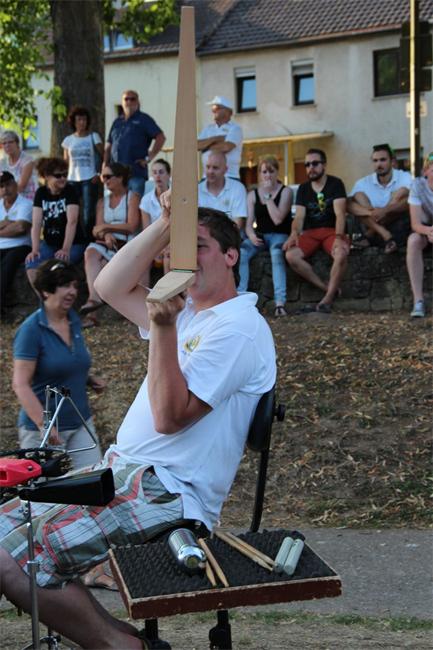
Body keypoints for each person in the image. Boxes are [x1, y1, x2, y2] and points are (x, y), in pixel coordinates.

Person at [0, 201, 276, 650]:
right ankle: (122, 641)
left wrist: (163, 327)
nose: (183, 259)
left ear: (231, 255)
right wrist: (166, 223)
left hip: (166, 491)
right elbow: (109, 285)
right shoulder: (191, 314)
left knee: (11, 560)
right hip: (125, 473)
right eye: (176, 249)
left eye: (198, 246)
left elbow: (169, 418)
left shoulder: (238, 328)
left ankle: (120, 646)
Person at [12, 259, 103, 469]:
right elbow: (20, 384)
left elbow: (66, 362)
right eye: (65, 285)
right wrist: (44, 425)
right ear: (46, 290)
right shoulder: (31, 330)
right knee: (45, 489)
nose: (72, 292)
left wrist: (88, 379)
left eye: (74, 286)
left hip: (80, 422)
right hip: (43, 432)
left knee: (94, 481)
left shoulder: (74, 321)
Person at [284, 148, 349, 313]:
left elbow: (340, 214)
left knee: (341, 253)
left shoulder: (336, 184)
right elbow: (299, 217)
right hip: (311, 233)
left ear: (324, 165)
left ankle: (327, 300)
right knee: (291, 255)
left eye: (315, 163)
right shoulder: (303, 188)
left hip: (332, 231)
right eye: (307, 165)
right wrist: (294, 233)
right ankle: (327, 288)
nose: (310, 168)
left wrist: (339, 237)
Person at [79, 163, 140, 327]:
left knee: (103, 265)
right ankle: (94, 299)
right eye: (102, 177)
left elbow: (132, 225)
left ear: (120, 178)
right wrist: (106, 234)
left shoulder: (132, 198)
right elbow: (97, 230)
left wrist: (106, 228)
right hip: (106, 242)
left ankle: (93, 314)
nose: (104, 180)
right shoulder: (102, 202)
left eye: (107, 177)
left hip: (127, 243)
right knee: (90, 252)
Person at [238, 156, 293, 316]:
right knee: (242, 252)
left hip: (279, 235)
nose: (267, 175)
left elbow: (278, 219)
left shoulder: (286, 191)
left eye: (271, 171)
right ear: (259, 174)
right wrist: (251, 235)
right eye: (264, 172)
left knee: (276, 254)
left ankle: (279, 302)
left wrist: (268, 197)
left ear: (277, 172)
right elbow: (249, 223)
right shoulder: (252, 195)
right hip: (261, 235)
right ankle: (240, 297)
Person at [25, 157, 86, 287]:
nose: (63, 178)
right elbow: (36, 224)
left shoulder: (70, 190)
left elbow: (72, 221)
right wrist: (35, 249)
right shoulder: (41, 193)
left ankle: (57, 299)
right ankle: (44, 298)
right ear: (47, 176)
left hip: (74, 244)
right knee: (32, 263)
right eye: (58, 175)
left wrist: (65, 249)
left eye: (65, 174)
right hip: (50, 243)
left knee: (57, 267)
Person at [347, 144, 412, 253]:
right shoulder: (363, 182)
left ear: (392, 161)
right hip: (373, 227)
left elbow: (411, 202)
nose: (379, 164)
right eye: (375, 161)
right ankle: (385, 234)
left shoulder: (405, 177)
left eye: (383, 160)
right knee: (357, 195)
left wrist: (385, 210)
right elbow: (348, 204)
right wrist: (371, 212)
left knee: (403, 192)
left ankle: (371, 233)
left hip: (396, 227)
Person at [104, 89, 166, 197]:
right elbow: (108, 145)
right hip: (115, 175)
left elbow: (161, 137)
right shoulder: (117, 122)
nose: (129, 102)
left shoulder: (144, 119)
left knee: (135, 205)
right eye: (126, 99)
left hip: (135, 174)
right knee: (118, 205)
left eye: (132, 99)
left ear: (137, 102)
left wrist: (149, 157)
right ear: (122, 102)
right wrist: (104, 166)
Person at [62, 105, 104, 240]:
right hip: (72, 179)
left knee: (88, 211)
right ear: (74, 122)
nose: (82, 123)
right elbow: (66, 162)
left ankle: (89, 239)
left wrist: (99, 174)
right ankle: (76, 238)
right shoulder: (68, 140)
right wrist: (63, 178)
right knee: (72, 211)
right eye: (79, 120)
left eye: (84, 120)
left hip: (89, 178)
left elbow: (104, 156)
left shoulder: (93, 137)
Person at [0, 172, 33, 319]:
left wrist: (7, 225)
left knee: (6, 268)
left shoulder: (26, 204)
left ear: (15, 184)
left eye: (8, 184)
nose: (5, 189)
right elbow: (16, 226)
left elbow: (20, 228)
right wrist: (9, 224)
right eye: (1, 186)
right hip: (1, 246)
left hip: (20, 246)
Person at [406, 152, 433, 318]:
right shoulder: (417, 185)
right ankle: (418, 300)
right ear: (426, 171)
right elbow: (415, 224)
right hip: (425, 228)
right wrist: (428, 231)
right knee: (413, 241)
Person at [198, 151, 247, 232]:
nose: (210, 171)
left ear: (225, 169)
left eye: (215, 168)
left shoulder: (238, 188)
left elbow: (237, 224)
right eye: (208, 167)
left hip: (229, 236)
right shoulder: (197, 190)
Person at [198, 95, 243, 179]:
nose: (213, 110)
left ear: (227, 112)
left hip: (229, 177)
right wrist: (216, 139)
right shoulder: (207, 128)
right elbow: (196, 145)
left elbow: (226, 147)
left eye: (216, 108)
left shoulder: (235, 129)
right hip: (207, 178)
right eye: (212, 108)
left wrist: (205, 147)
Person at [139, 158, 171, 276]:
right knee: (140, 257)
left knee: (169, 255)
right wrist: (157, 249)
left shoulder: (177, 196)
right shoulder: (146, 199)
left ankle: (169, 288)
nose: (158, 176)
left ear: (169, 174)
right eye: (155, 172)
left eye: (161, 172)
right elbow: (147, 230)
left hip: (173, 240)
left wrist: (166, 247)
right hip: (155, 240)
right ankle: (144, 288)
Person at [0, 130, 38, 200]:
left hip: (27, 198)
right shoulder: (2, 163)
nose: (7, 145)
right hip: (8, 199)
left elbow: (21, 187)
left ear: (17, 143)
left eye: (10, 142)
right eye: (4, 143)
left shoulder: (27, 160)